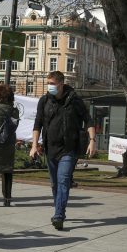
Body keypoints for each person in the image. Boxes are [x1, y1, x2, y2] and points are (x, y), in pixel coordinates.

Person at [30, 71, 95, 230]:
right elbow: (38, 124)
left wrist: (92, 141)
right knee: (54, 184)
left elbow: (88, 120)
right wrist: (33, 145)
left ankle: (59, 215)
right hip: (50, 148)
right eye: (48, 83)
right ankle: (59, 209)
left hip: (69, 148)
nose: (49, 87)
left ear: (61, 83)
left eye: (52, 84)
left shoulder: (74, 101)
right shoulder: (44, 100)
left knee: (63, 180)